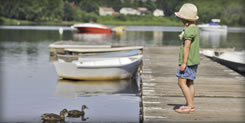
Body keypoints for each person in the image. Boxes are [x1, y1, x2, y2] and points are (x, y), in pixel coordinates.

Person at [174, 3, 200, 113]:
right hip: (194, 61)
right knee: (190, 82)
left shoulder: (189, 31)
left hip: (188, 62)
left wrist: (184, 63)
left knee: (181, 82)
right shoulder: (195, 29)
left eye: (180, 18)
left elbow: (187, 46)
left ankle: (190, 106)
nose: (180, 19)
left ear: (185, 18)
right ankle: (190, 104)